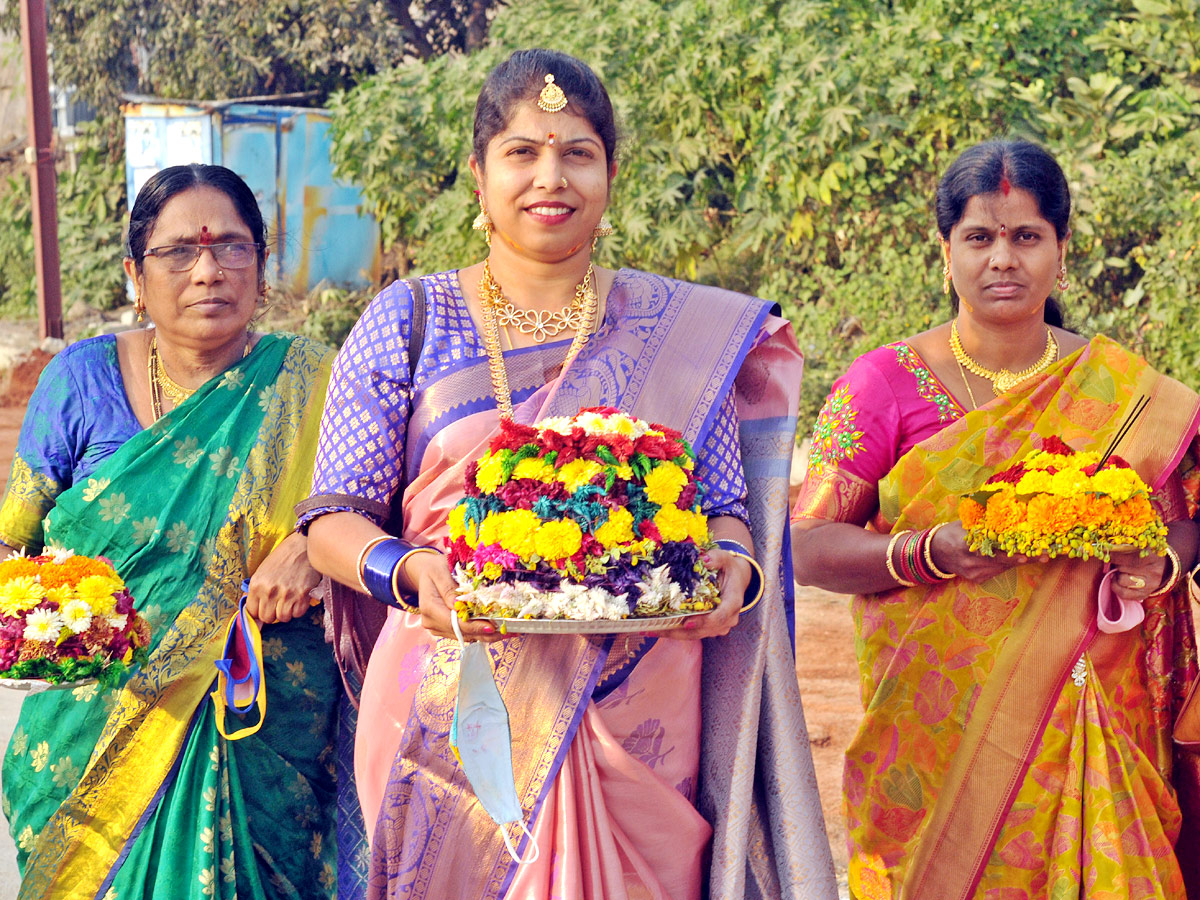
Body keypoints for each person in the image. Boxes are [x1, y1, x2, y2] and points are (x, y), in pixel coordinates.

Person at [300, 48, 836, 900]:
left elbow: (725, 507)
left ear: (611, 175)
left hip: (643, 689)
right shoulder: (409, 317)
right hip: (456, 681)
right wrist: (405, 571)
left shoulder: (677, 327)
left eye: (577, 152)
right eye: (522, 152)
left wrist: (733, 566)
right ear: (478, 176)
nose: (550, 175)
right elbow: (331, 516)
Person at [791, 139, 1200, 898]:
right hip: (936, 739)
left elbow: (1185, 517)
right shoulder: (882, 382)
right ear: (945, 251)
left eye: (1026, 237)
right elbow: (807, 548)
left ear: (1061, 250)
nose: (1002, 259)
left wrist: (1163, 563)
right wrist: (928, 551)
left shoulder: (1121, 388)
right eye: (979, 237)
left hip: (1097, 720)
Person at [0, 164, 340, 899]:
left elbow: (373, 514)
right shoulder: (79, 381)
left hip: (264, 736)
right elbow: (13, 549)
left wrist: (315, 542)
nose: (209, 271)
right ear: (135, 272)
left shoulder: (313, 383)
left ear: (262, 262)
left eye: (233, 248)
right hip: (89, 742)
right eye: (179, 251)